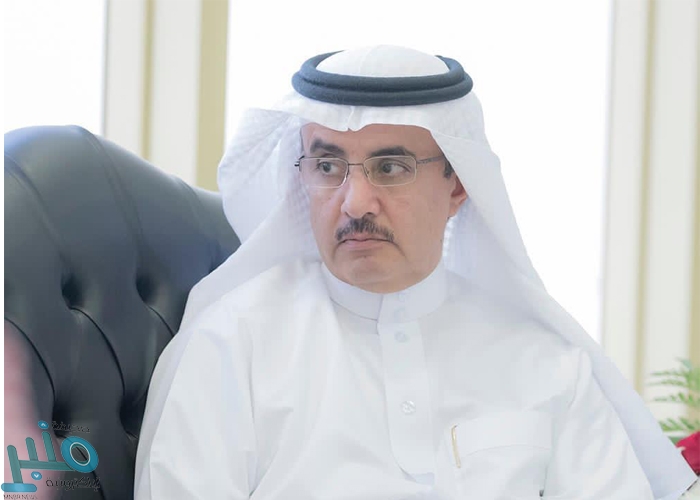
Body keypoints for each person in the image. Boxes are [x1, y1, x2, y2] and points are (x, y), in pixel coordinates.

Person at [134, 45, 698, 499]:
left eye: (391, 167)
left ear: (457, 186)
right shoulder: (231, 344)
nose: (355, 202)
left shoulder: (547, 364)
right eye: (328, 165)